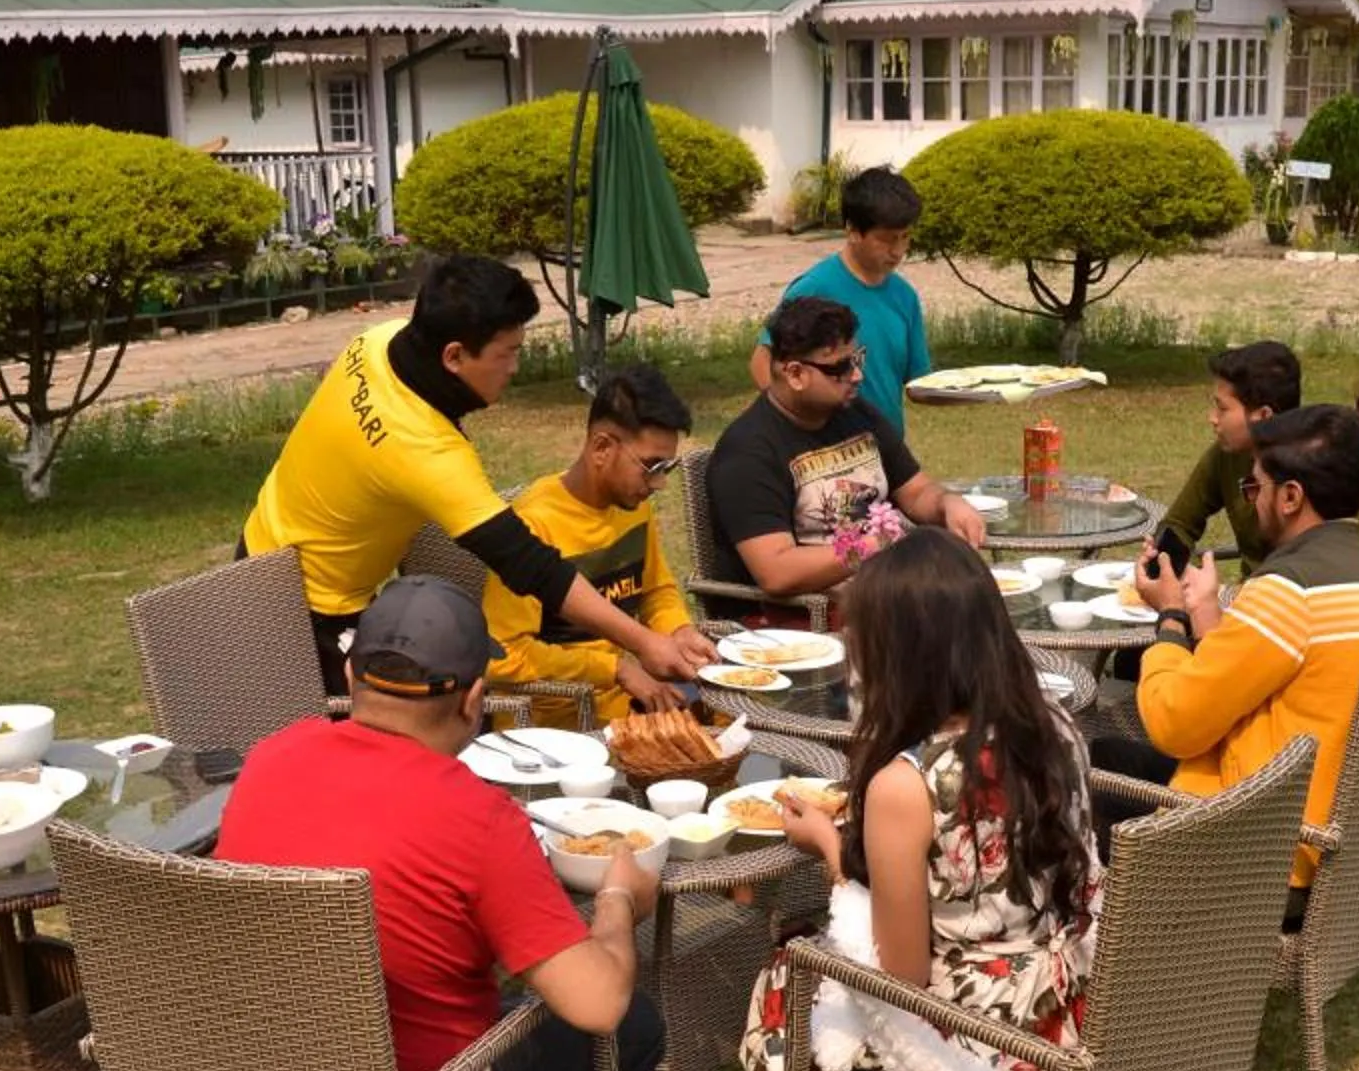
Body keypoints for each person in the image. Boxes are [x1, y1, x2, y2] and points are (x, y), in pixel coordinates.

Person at [215, 575, 667, 1071]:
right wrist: (619, 901)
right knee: (631, 1026)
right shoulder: (475, 817)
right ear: (473, 699)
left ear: (355, 677)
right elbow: (597, 1001)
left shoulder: (271, 757)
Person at [736, 530, 1102, 1071]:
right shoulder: (1056, 728)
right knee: (814, 972)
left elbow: (897, 976)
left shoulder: (907, 786)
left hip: (984, 1034)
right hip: (1067, 999)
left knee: (790, 978)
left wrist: (833, 852)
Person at [238, 253, 703, 697]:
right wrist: (644, 644)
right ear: (455, 356)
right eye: (507, 353)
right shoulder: (424, 452)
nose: (515, 368)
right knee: (367, 742)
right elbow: (534, 567)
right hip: (303, 598)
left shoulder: (378, 341)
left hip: (267, 530)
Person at [1091, 405, 1359, 920]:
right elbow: (1277, 680)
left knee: (1089, 765)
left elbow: (1174, 725)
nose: (1251, 502)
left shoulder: (1287, 593)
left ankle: (1122, 956)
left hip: (1261, 854)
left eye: (1255, 489)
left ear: (1291, 497)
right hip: (1338, 846)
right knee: (1113, 755)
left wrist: (1171, 620)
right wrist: (1207, 618)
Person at [703, 293, 987, 606]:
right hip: (799, 621)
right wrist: (873, 546)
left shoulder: (854, 413)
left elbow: (916, 491)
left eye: (857, 358)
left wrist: (948, 503)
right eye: (839, 367)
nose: (857, 375)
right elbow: (777, 571)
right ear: (795, 374)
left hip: (883, 596)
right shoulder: (748, 452)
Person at [481, 363, 721, 724]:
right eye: (652, 467)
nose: (659, 485)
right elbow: (501, 654)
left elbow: (656, 592)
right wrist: (614, 669)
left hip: (632, 702)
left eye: (666, 469)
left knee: (737, 718)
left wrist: (679, 630)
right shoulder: (531, 526)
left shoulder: (631, 504)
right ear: (601, 448)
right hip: (558, 726)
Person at [748, 165, 933, 430]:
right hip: (826, 451)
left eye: (905, 237)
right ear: (853, 231)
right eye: (887, 240)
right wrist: (793, 424)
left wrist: (973, 389)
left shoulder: (905, 296)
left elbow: (918, 385)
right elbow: (762, 363)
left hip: (883, 449)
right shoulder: (814, 288)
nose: (899, 250)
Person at [1156, 340, 1301, 575]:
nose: (1212, 418)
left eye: (1222, 409)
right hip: (1243, 601)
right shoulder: (1227, 456)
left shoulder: (1318, 469)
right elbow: (1179, 524)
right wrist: (1164, 565)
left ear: (1263, 416)